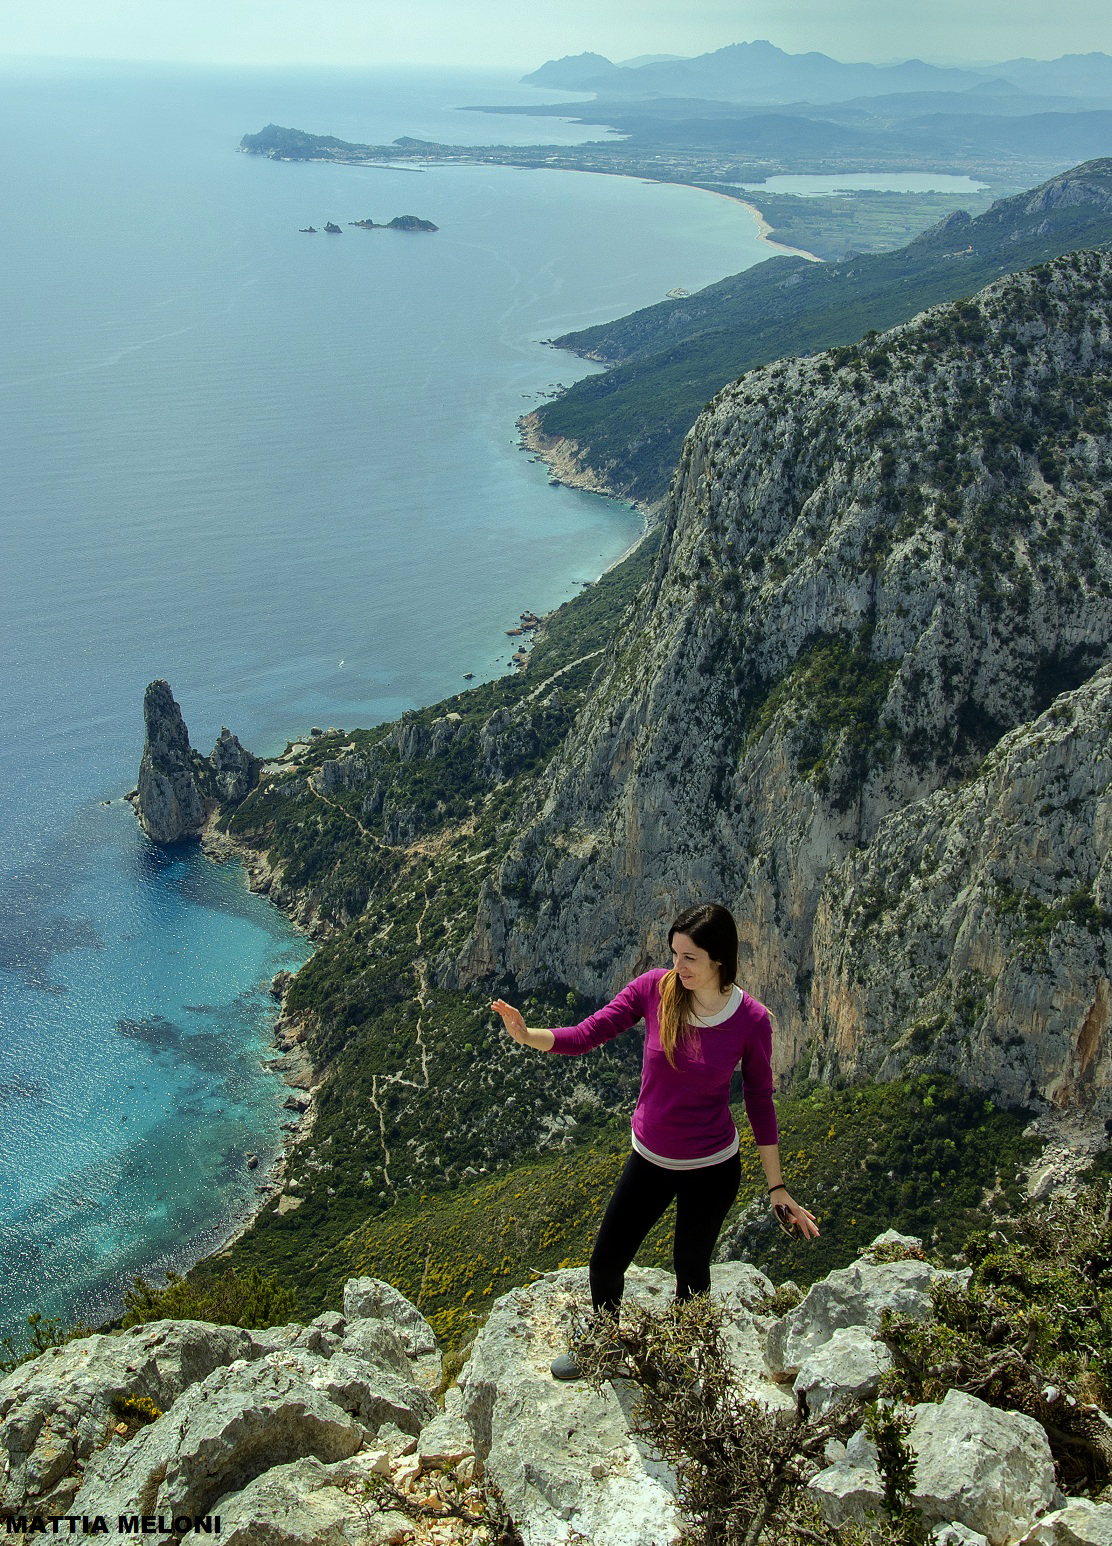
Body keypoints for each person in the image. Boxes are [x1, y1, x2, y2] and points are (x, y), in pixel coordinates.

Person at [491, 901, 818, 1380]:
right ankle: (602, 1346)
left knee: (691, 1270)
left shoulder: (751, 1020)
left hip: (712, 1169)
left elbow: (760, 1103)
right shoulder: (655, 990)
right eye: (674, 954)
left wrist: (777, 1189)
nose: (676, 967)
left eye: (689, 958)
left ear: (719, 960)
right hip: (650, 1159)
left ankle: (688, 1367)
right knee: (606, 1260)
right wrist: (527, 1036)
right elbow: (588, 1033)